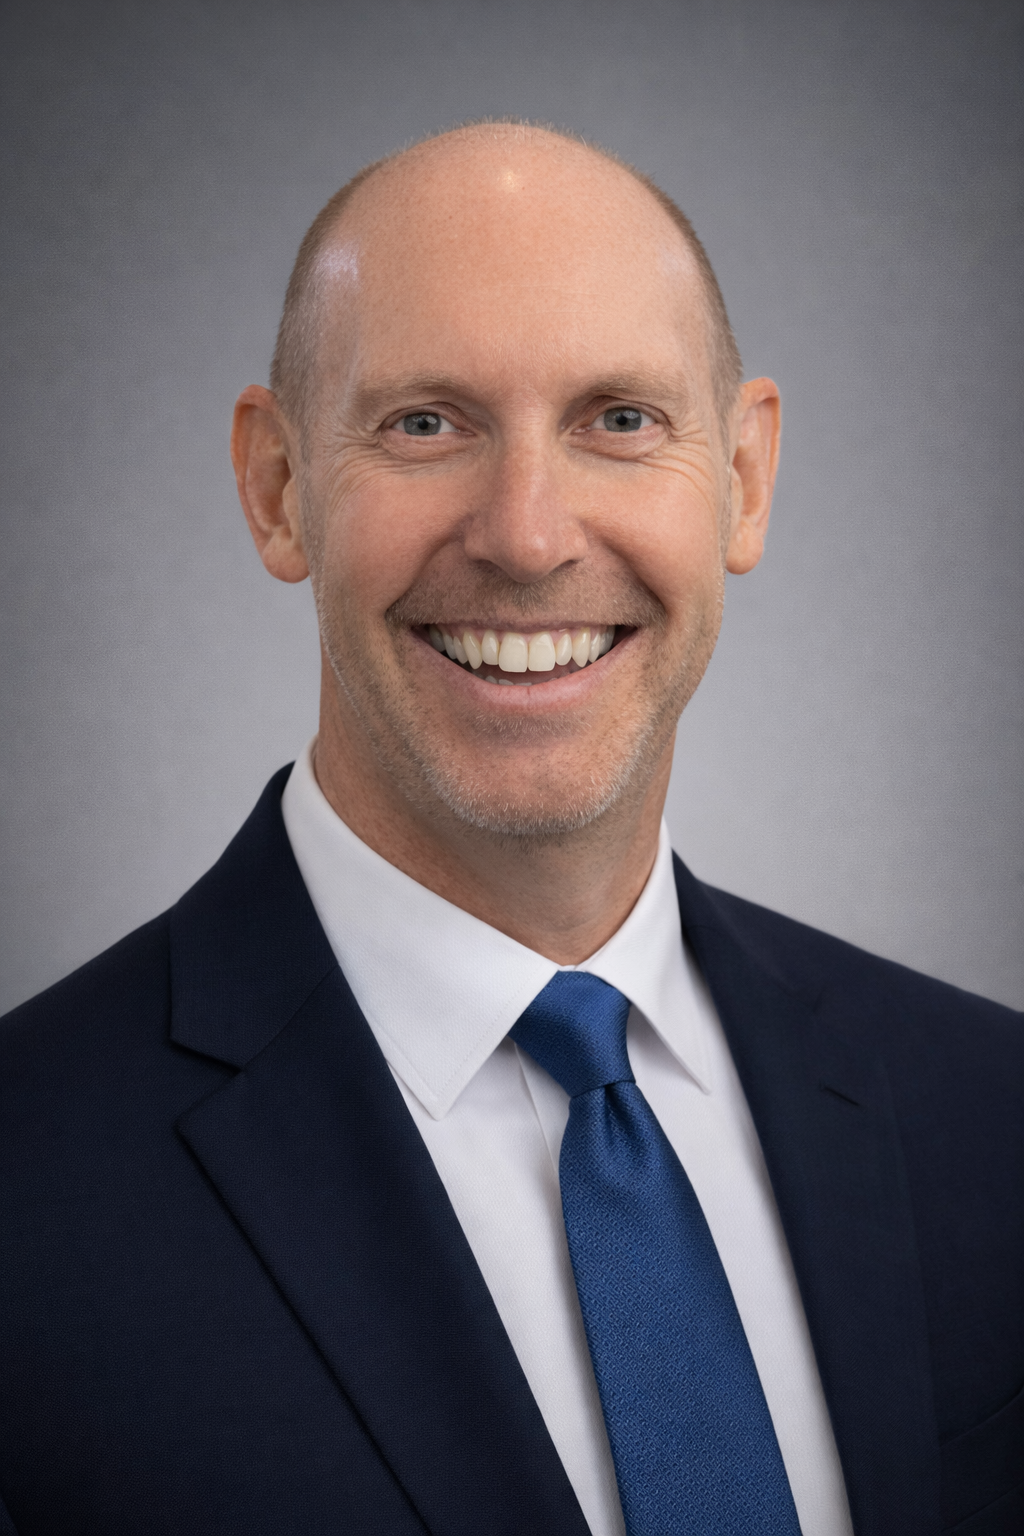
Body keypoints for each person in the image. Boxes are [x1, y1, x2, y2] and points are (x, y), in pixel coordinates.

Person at [0, 122, 1020, 1536]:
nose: (529, 536)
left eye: (619, 420)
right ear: (278, 485)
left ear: (745, 477)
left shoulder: (993, 1109)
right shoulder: (26, 1193)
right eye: (426, 423)